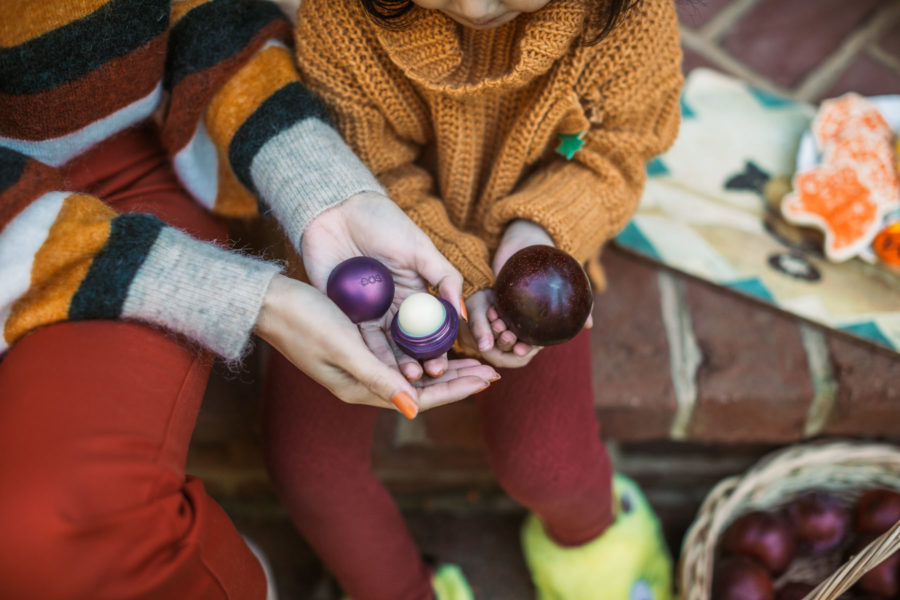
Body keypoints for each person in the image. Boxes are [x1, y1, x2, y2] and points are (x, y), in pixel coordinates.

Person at [0, 1, 500, 598]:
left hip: (130, 174)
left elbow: (207, 14)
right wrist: (245, 296)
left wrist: (324, 194)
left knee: (62, 527)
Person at [264, 0, 684, 598]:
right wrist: (461, 276)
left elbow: (615, 151)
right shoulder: (343, 15)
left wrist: (539, 235)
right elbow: (366, 167)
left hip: (540, 260)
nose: (472, 5)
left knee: (547, 461)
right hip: (357, 249)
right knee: (309, 469)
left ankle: (599, 547)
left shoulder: (625, 18)